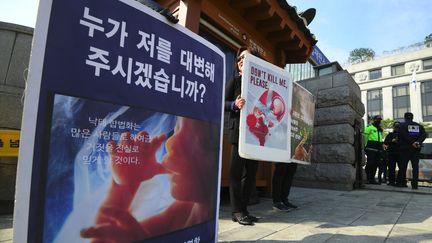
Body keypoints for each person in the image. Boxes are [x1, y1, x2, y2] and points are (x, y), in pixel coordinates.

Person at [80, 117, 220, 242]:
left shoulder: (187, 213)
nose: (171, 143)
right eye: (176, 130)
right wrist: (125, 184)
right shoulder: (182, 210)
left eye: (204, 141)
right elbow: (103, 236)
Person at [225, 46, 260, 225]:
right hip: (238, 132)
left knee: (251, 175)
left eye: (245, 58)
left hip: (256, 135)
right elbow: (220, 102)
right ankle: (236, 211)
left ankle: (245, 209)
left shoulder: (261, 84)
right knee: (236, 174)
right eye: (239, 58)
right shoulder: (235, 80)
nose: (241, 61)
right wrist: (234, 104)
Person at [272, 129, 311, 211]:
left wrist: (310, 150)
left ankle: (284, 200)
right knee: (280, 173)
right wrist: (305, 137)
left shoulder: (300, 146)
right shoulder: (300, 146)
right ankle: (277, 202)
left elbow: (307, 157)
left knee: (289, 175)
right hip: (282, 143)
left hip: (292, 152)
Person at [396, 112, 427, 189]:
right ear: (412, 117)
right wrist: (417, 142)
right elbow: (424, 134)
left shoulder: (401, 126)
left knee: (403, 166)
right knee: (415, 167)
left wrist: (412, 142)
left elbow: (403, 135)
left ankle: (401, 183)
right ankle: (415, 185)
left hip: (404, 149)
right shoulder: (419, 126)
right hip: (416, 149)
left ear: (405, 117)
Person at [364, 115, 384, 184]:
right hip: (370, 148)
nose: (379, 121)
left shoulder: (380, 129)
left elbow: (380, 139)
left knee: (375, 164)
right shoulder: (369, 127)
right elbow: (365, 137)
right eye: (377, 119)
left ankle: (372, 179)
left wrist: (381, 148)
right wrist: (365, 145)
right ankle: (366, 178)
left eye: (380, 120)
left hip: (378, 149)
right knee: (370, 163)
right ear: (374, 120)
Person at [383, 121, 400, 186]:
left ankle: (400, 181)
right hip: (391, 154)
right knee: (391, 168)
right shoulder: (390, 134)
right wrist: (392, 141)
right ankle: (391, 181)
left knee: (401, 168)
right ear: (394, 127)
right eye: (396, 127)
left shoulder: (403, 135)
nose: (397, 128)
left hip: (400, 154)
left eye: (398, 127)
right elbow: (385, 142)